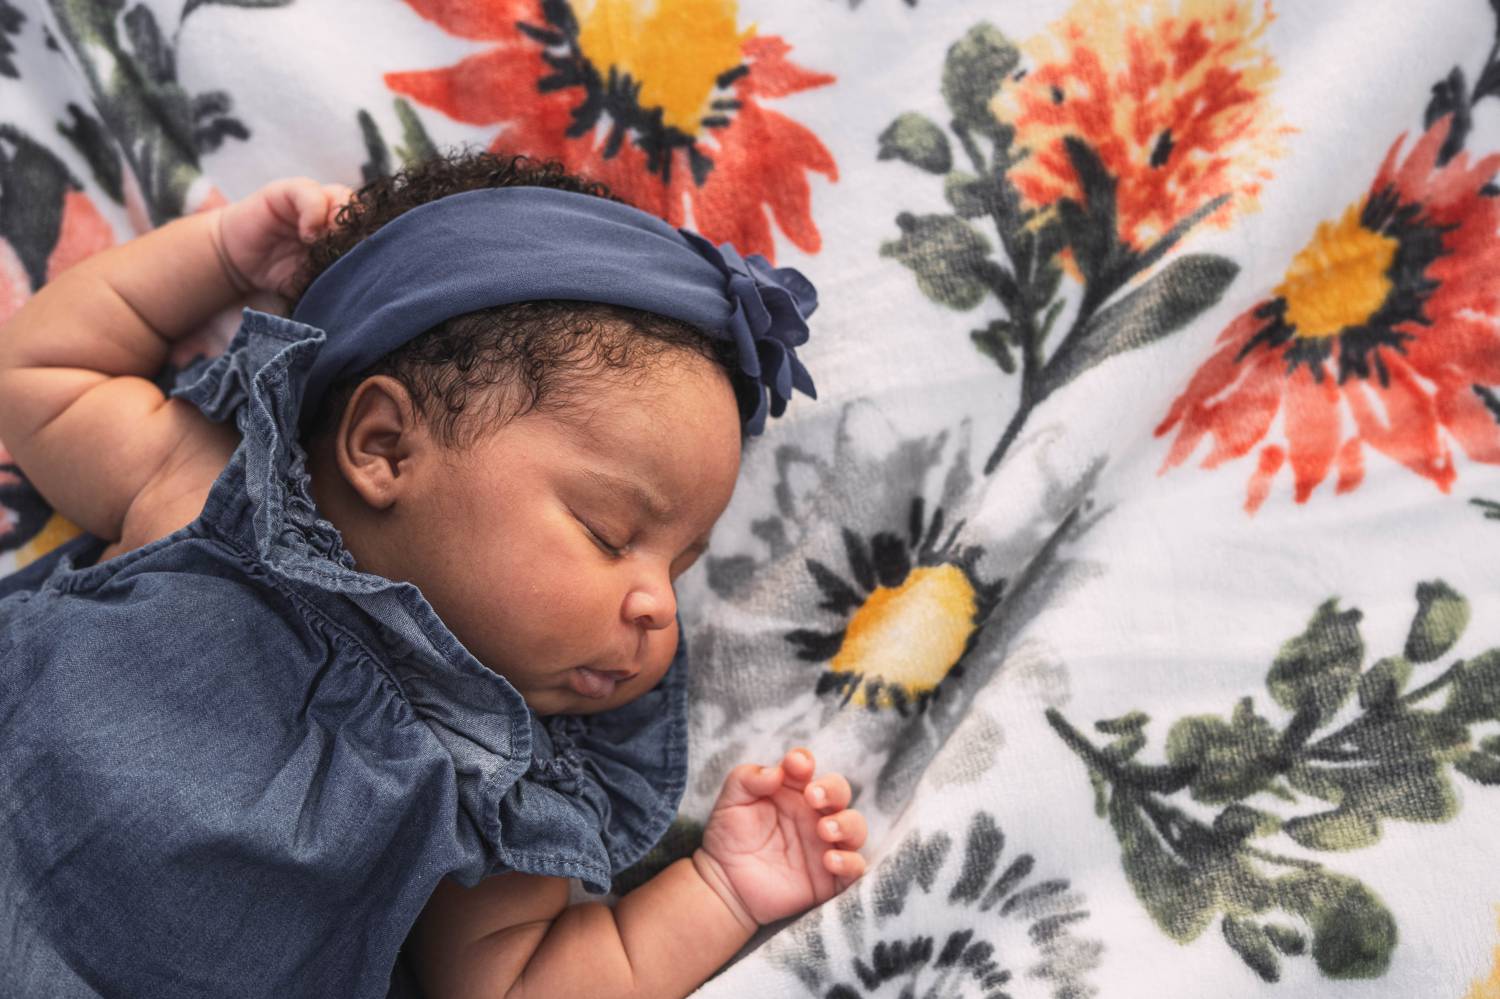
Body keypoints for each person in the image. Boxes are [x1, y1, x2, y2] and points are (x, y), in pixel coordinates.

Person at [0, 152, 867, 999]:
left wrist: (720, 889)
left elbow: (515, 984)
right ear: (383, 446)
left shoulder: (496, 767)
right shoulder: (208, 492)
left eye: (679, 568)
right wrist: (221, 252)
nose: (657, 608)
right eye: (610, 534)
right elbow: (36, 372)